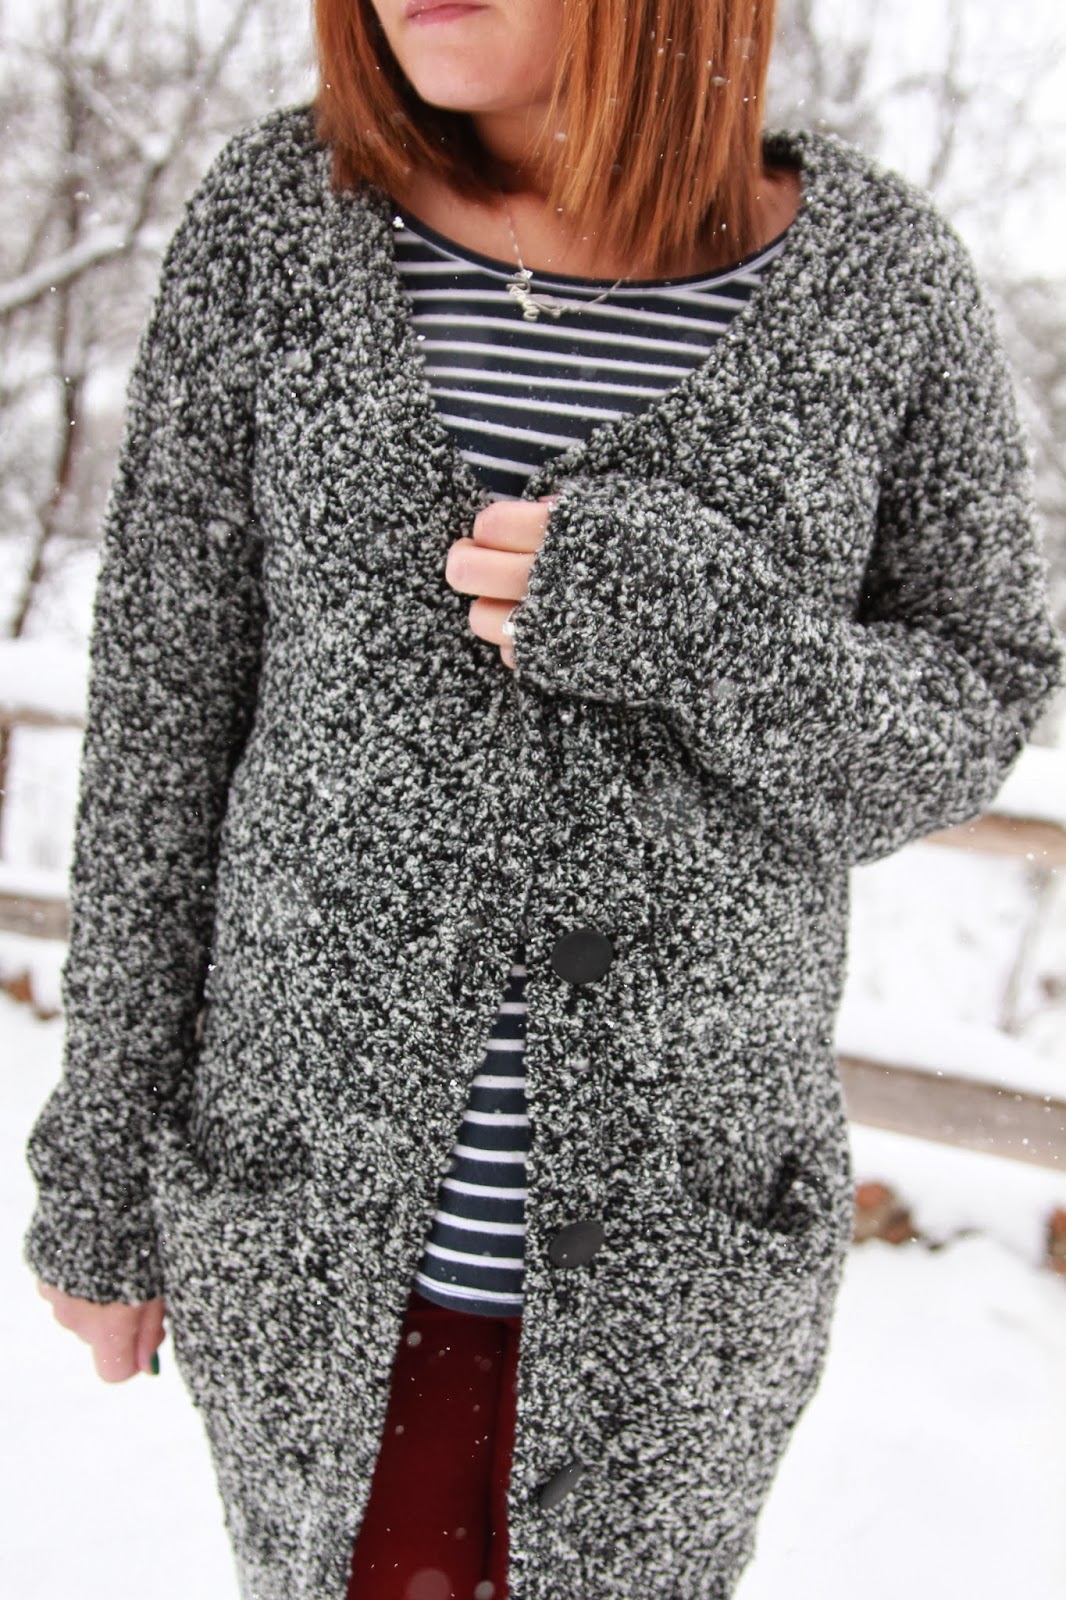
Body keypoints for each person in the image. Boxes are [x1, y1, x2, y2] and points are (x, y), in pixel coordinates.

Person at [24, 2, 1064, 1598]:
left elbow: (965, 715)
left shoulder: (879, 279)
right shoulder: (279, 221)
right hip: (309, 1244)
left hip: (675, 1284)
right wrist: (101, 1167)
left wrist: (704, 630)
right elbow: (163, 731)